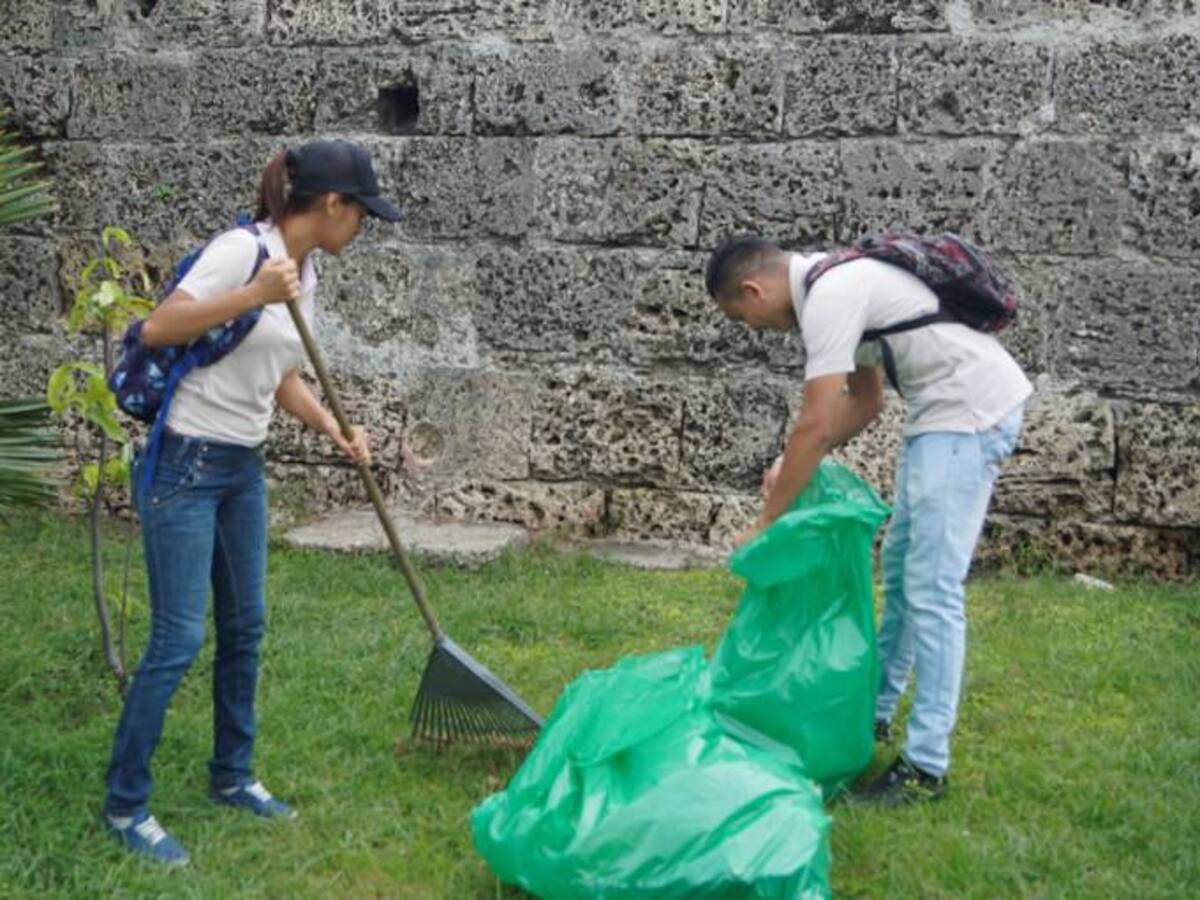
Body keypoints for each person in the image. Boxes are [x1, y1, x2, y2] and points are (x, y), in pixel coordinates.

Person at [103, 139, 402, 865]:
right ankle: (125, 805)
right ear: (331, 204)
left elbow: (278, 372)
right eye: (361, 212)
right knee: (178, 639)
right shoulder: (243, 252)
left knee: (245, 627)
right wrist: (252, 293)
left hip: (241, 466)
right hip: (186, 464)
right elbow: (156, 327)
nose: (363, 225)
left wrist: (334, 427)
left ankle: (232, 777)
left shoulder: (303, 273)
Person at [705, 234, 1030, 806]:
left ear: (753, 290)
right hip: (940, 418)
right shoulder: (832, 286)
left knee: (932, 589)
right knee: (902, 574)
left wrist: (767, 520)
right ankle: (873, 714)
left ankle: (925, 767)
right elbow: (865, 402)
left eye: (742, 316)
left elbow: (815, 422)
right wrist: (790, 465)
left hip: (967, 415)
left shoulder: (830, 296)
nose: (753, 328)